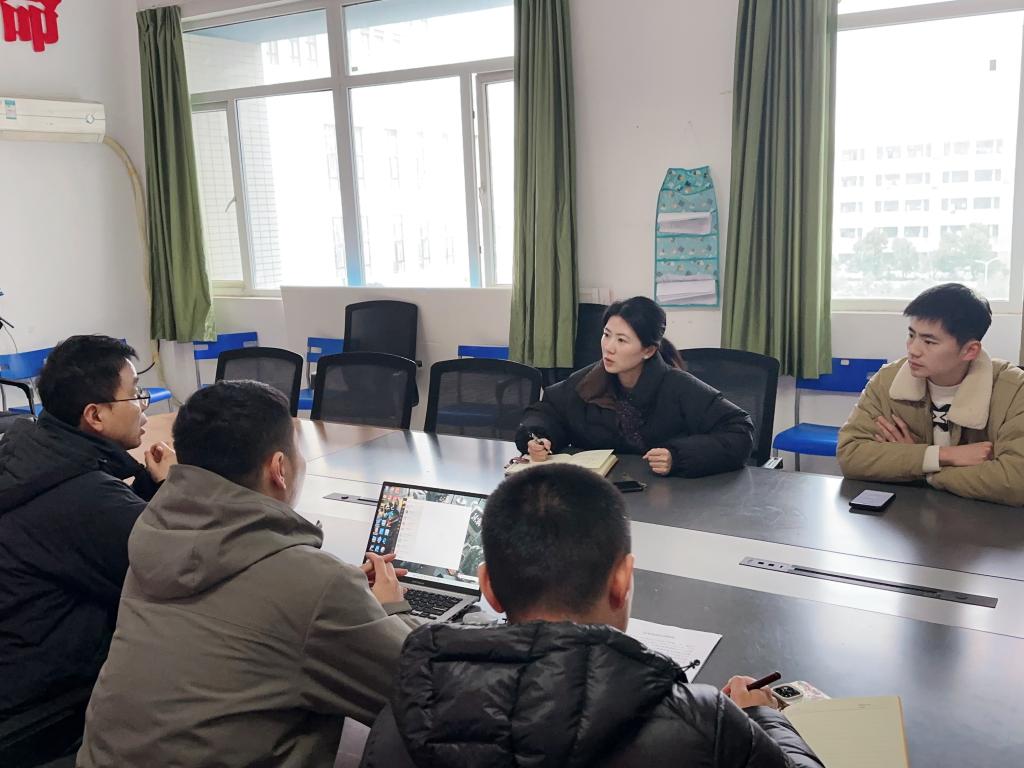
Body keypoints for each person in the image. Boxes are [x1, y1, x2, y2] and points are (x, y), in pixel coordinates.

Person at [359, 464, 822, 768]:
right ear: (622, 579)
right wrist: (762, 718)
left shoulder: (403, 718)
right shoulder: (702, 725)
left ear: (489, 589)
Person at [77, 380, 419, 768]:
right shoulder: (316, 585)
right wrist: (390, 609)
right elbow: (425, 694)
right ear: (279, 469)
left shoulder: (154, 542)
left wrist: (335, 594)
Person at [0, 335, 174, 765]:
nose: (144, 405)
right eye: (135, 394)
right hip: (42, 714)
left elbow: (91, 533)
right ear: (95, 415)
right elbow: (176, 569)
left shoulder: (26, 448)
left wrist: (148, 486)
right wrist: (176, 491)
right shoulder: (86, 497)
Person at [515, 296, 754, 477]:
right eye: (606, 335)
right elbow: (547, 410)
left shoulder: (677, 386)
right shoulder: (589, 380)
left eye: (621, 340)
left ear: (648, 350)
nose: (609, 347)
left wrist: (677, 456)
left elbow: (739, 431)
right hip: (601, 497)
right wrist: (539, 437)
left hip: (671, 502)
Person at [837, 283, 1024, 506]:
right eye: (911, 335)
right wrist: (944, 455)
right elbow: (851, 455)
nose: (913, 350)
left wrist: (923, 468)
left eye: (929, 341)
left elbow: (1016, 481)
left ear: (969, 350)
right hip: (907, 513)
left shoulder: (1013, 389)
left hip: (985, 519)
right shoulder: (888, 380)